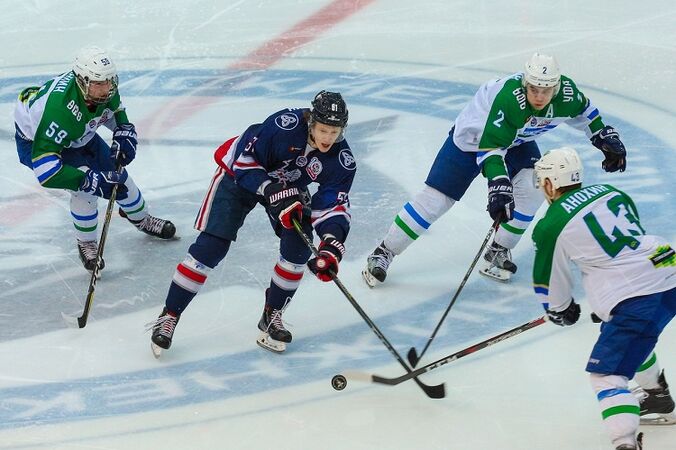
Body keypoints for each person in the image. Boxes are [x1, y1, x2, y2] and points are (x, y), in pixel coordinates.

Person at [362, 52, 627, 286]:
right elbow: (491, 149)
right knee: (436, 201)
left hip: (514, 140)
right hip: (471, 141)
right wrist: (498, 186)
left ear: (556, 87)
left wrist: (602, 136)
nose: (539, 96)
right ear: (525, 83)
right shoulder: (510, 99)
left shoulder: (567, 94)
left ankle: (499, 249)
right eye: (533, 89)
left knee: (533, 189)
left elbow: (586, 112)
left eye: (545, 91)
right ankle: (384, 251)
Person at [147, 91, 355, 355]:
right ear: (312, 122)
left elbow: (332, 205)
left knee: (299, 249)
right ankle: (169, 315)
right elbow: (244, 162)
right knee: (211, 246)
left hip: (287, 186)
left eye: (334, 132)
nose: (328, 138)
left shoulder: (342, 159)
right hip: (239, 175)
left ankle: (272, 314)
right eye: (323, 130)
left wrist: (331, 243)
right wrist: (269, 190)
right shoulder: (284, 126)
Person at [531, 147, 675, 450]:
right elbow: (626, 244)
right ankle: (657, 397)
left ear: (550, 183)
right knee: (631, 338)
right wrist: (608, 303)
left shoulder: (551, 224)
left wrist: (559, 309)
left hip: (638, 293)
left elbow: (549, 280)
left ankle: (625, 443)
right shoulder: (610, 192)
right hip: (667, 265)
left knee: (607, 375)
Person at [13, 46, 176, 273]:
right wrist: (90, 180)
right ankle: (87, 242)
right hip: (38, 142)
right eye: (99, 84)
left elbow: (114, 111)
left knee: (119, 179)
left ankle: (141, 219)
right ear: (82, 81)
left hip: (79, 133)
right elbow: (46, 172)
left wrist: (124, 130)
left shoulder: (102, 87)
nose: (106, 89)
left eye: (109, 82)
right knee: (85, 190)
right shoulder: (58, 112)